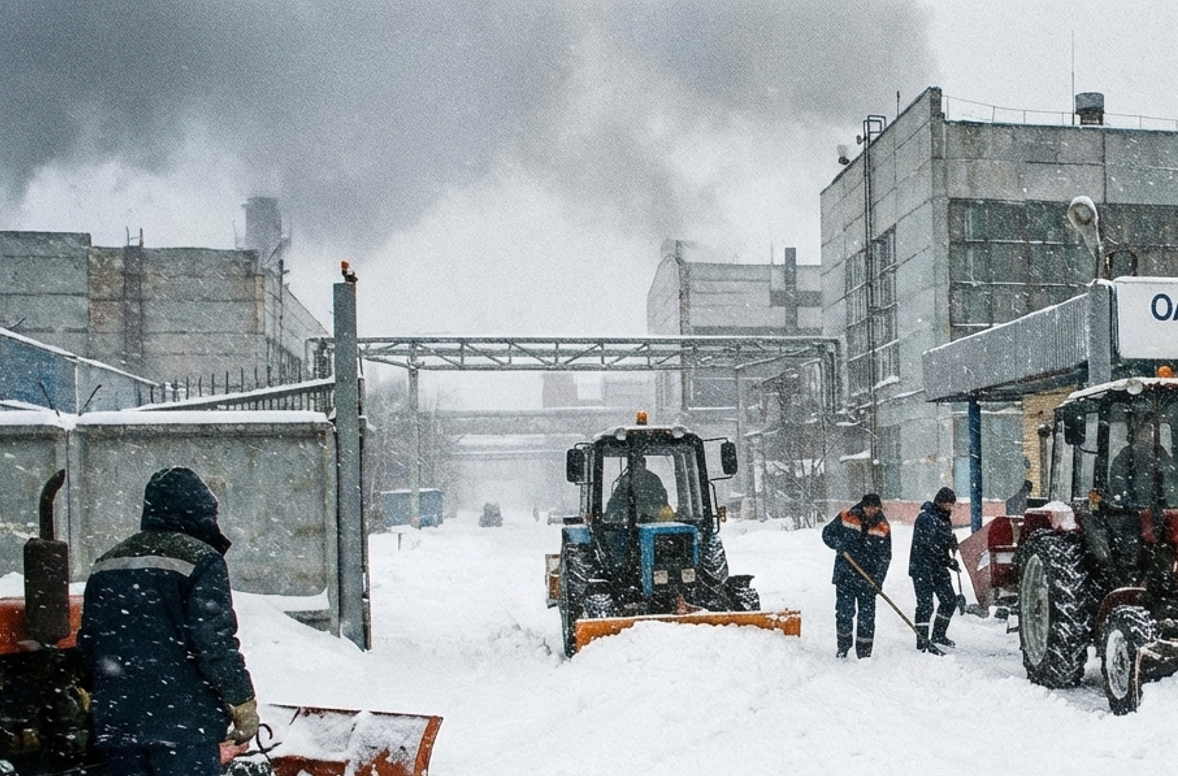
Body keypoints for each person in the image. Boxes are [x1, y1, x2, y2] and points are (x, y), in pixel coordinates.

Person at [78, 467, 259, 776]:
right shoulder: (201, 560)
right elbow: (214, 643)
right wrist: (242, 701)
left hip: (119, 725)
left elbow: (90, 640)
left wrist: (91, 691)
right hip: (184, 728)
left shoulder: (107, 562)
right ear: (200, 513)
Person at [822, 493, 892, 659]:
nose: (871, 510)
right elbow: (827, 533)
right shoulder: (847, 516)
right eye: (868, 507)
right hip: (845, 576)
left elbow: (885, 557)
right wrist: (837, 544)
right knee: (844, 614)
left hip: (868, 580)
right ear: (863, 505)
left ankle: (864, 653)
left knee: (866, 618)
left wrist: (878, 580)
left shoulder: (883, 526)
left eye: (875, 507)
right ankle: (843, 647)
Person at [909, 487, 960, 650]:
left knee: (949, 600)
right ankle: (922, 640)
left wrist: (950, 546)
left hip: (938, 567)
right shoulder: (926, 517)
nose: (949, 507)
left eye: (951, 504)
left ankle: (938, 634)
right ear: (939, 502)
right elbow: (928, 544)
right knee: (925, 605)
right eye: (947, 503)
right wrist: (946, 559)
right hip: (922, 567)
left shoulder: (944, 519)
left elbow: (940, 543)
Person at [1108, 417, 1178, 507]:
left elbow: (1171, 476)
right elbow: (1117, 480)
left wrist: (1169, 496)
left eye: (1150, 432)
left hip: (1160, 505)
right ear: (1135, 435)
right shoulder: (1126, 454)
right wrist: (1126, 501)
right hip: (1132, 508)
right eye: (1143, 432)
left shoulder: (1160, 453)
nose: (1147, 435)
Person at [605, 454, 670, 521]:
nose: (639, 469)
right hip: (629, 522)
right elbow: (613, 504)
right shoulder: (625, 481)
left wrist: (649, 513)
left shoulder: (653, 480)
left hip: (652, 521)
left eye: (640, 464)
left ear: (644, 464)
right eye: (636, 465)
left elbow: (663, 502)